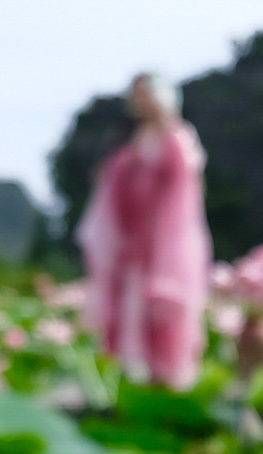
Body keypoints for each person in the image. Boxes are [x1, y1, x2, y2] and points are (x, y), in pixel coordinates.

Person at [76, 72, 211, 391]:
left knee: (161, 308)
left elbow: (184, 188)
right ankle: (135, 378)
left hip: (166, 240)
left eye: (143, 94)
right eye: (134, 95)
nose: (137, 101)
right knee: (129, 309)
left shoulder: (177, 137)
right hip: (132, 237)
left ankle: (167, 380)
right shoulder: (136, 138)